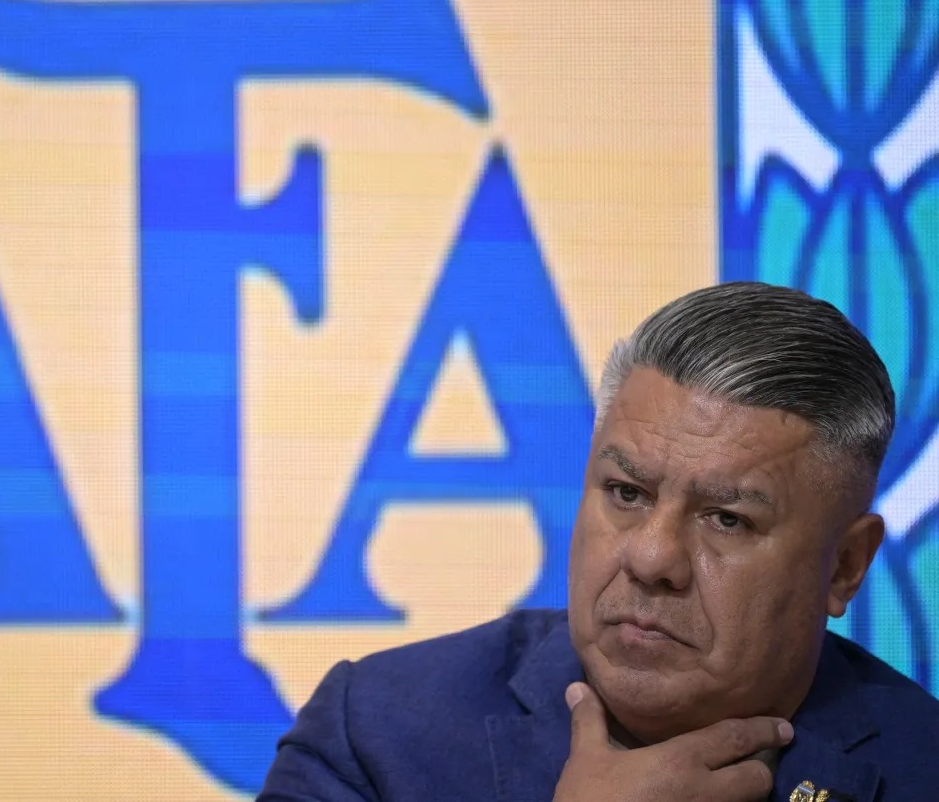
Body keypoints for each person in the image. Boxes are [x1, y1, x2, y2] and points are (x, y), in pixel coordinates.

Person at [258, 282, 939, 801]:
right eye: (627, 493)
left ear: (845, 566)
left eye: (726, 519)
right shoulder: (378, 735)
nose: (651, 557)